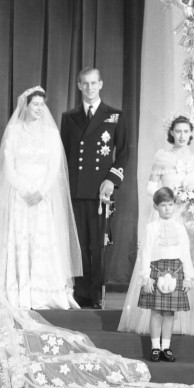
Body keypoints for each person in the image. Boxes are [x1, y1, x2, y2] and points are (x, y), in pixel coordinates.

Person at [0, 87, 81, 310]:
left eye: (43, 105)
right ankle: (18, 290)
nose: (40, 109)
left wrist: (41, 192)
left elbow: (55, 167)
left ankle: (42, 292)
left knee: (41, 241)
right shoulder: (14, 131)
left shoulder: (51, 134)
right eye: (35, 104)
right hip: (20, 197)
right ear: (25, 105)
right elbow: (8, 167)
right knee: (20, 240)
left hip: (42, 199)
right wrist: (24, 191)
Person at [119, 115, 194, 335]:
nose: (181, 136)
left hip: (189, 217)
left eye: (185, 132)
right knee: (162, 262)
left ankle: (185, 321)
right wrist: (169, 196)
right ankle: (157, 316)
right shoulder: (163, 157)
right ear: (171, 133)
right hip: (167, 215)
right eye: (177, 131)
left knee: (186, 261)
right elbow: (151, 186)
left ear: (191, 134)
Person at [60, 67, 128, 308]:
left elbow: (123, 154)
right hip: (77, 189)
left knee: (98, 244)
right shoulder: (69, 117)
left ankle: (96, 294)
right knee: (78, 243)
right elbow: (64, 156)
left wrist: (112, 179)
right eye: (85, 84)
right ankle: (80, 292)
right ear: (79, 85)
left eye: (93, 83)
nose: (89, 88)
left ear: (101, 85)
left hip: (101, 190)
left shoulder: (114, 115)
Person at [134, 187, 194, 362]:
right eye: (163, 205)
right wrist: (146, 277)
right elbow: (145, 253)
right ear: (156, 207)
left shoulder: (180, 228)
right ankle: (155, 347)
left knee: (169, 313)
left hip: (175, 271)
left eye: (170, 204)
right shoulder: (152, 228)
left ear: (175, 206)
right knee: (156, 312)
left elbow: (185, 253)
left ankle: (166, 347)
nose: (167, 208)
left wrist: (188, 277)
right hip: (156, 270)